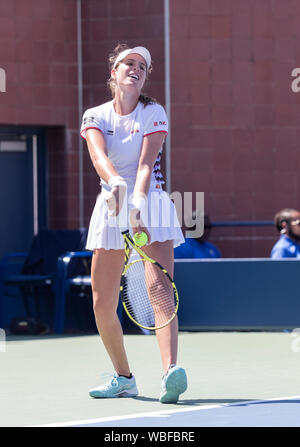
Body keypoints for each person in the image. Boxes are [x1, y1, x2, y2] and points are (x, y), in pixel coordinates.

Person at [80, 44, 187, 403]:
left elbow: (145, 164)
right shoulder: (94, 115)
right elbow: (98, 156)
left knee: (159, 292)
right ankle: (124, 377)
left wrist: (136, 204)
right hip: (110, 204)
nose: (136, 68)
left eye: (143, 65)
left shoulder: (153, 111)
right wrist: (116, 187)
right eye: (130, 62)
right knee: (101, 303)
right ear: (114, 71)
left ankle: (171, 371)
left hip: (150, 203)